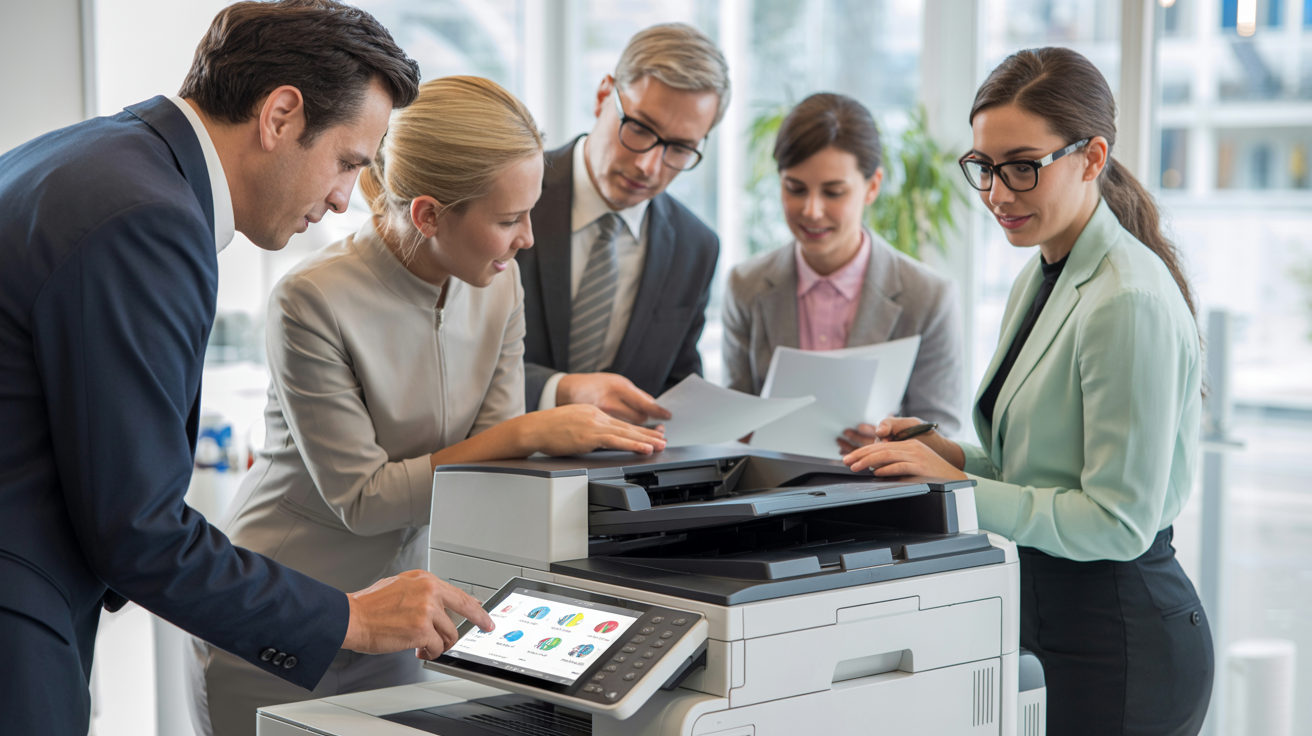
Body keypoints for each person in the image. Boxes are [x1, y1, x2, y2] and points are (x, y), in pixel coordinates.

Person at [0, 3, 496, 734]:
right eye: (349, 162)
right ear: (281, 115)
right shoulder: (148, 217)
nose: (339, 201)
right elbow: (138, 531)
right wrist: (352, 617)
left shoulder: (88, 156)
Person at [188, 75, 667, 736]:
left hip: (404, 622)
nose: (527, 238)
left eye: (531, 212)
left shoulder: (500, 285)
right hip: (280, 613)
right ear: (428, 215)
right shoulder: (310, 301)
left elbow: (488, 472)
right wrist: (532, 429)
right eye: (507, 220)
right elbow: (364, 500)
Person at [843, 47, 1213, 734]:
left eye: (1022, 166)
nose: (997, 193)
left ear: (1092, 157)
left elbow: (1115, 521)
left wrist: (961, 490)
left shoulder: (1125, 298)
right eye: (984, 167)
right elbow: (1039, 472)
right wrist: (945, 455)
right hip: (1052, 619)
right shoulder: (1044, 271)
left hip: (1122, 638)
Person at [722, 93, 965, 450]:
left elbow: (945, 437)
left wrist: (891, 447)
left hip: (882, 498)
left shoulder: (928, 296)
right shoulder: (746, 285)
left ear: (873, 186)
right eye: (795, 189)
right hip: (769, 498)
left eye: (833, 192)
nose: (812, 211)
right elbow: (734, 418)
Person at [518, 23, 727, 424]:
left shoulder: (696, 246)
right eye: (640, 128)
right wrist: (561, 390)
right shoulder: (509, 195)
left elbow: (678, 384)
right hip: (495, 468)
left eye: (680, 149)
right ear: (603, 95)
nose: (648, 165)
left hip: (626, 479)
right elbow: (450, 361)